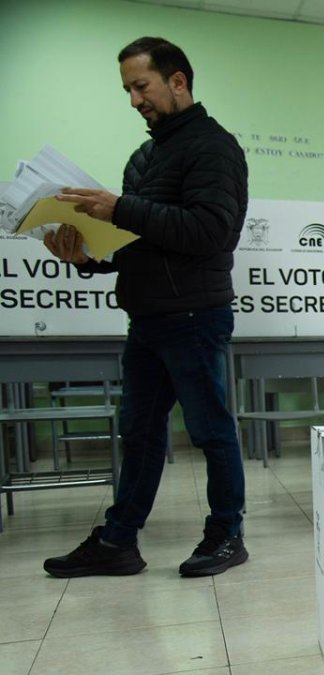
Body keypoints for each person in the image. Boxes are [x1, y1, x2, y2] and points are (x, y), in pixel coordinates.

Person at [41, 37, 250, 577]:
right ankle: (118, 541)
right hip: (148, 317)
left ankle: (227, 535)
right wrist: (86, 254)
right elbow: (136, 241)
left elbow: (209, 231)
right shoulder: (146, 156)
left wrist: (122, 206)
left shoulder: (213, 147)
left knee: (210, 431)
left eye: (142, 86)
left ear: (177, 81)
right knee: (136, 432)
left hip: (195, 315)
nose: (134, 100)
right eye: (128, 90)